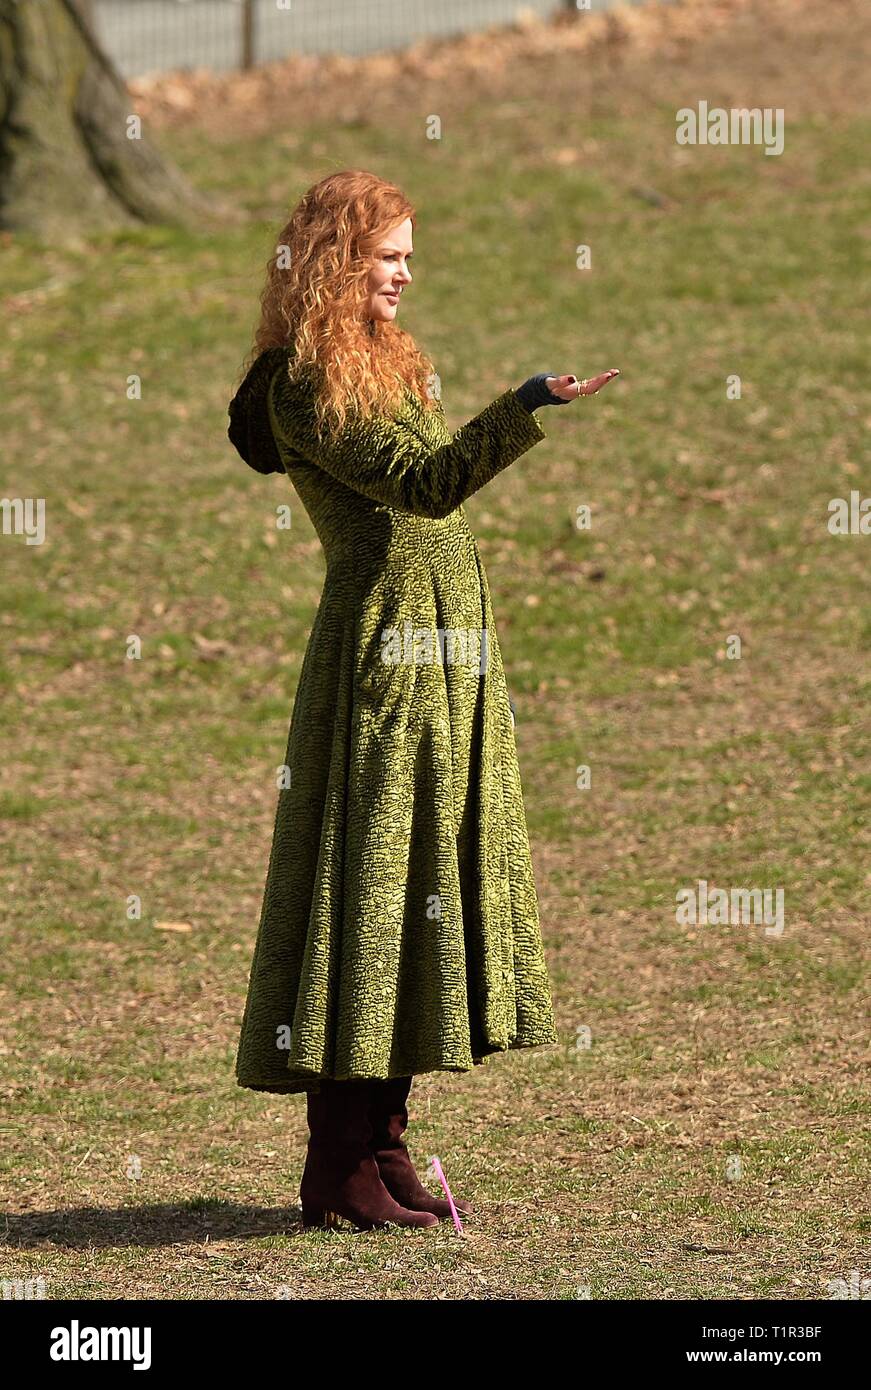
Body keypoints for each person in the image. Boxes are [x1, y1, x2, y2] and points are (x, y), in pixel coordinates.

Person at [227, 169, 620, 1233]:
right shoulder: (303, 383)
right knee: (371, 896)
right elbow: (425, 485)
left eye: (408, 256)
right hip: (382, 663)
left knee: (422, 886)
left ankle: (388, 1146)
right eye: (387, 256)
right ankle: (336, 1168)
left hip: (445, 653)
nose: (404, 273)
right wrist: (528, 404)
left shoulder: (387, 360)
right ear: (334, 262)